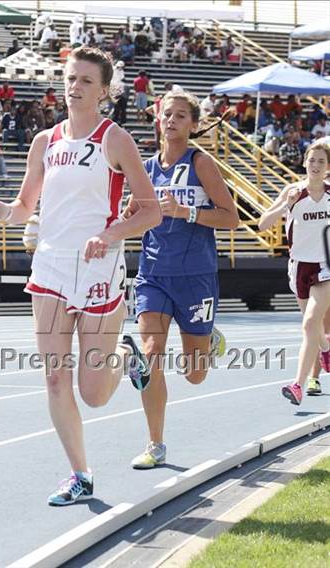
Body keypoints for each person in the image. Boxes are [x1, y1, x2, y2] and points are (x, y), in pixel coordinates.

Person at [0, 46, 161, 504]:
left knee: (94, 393)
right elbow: (25, 209)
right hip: (51, 267)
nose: (74, 87)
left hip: (99, 267)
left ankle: (125, 353)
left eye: (84, 80)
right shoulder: (46, 141)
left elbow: (152, 211)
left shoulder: (114, 139)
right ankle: (81, 474)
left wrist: (111, 232)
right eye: (70, 78)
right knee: (56, 379)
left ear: (104, 91)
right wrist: (3, 213)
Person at [123, 91, 239, 468]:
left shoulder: (201, 163)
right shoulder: (144, 167)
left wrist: (188, 211)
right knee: (150, 353)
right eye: (165, 114)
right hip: (153, 273)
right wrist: (121, 221)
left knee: (195, 375)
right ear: (157, 120)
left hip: (195, 277)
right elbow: (134, 215)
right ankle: (155, 444)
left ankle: (208, 341)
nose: (170, 120)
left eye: (179, 115)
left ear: (193, 124)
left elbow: (231, 218)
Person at [258, 142, 330, 406]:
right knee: (313, 328)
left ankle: (297, 384)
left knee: (311, 322)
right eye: (312, 160)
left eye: (321, 161)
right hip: (299, 266)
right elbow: (262, 223)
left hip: (325, 267)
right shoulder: (293, 192)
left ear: (328, 168)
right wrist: (283, 207)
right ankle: (325, 347)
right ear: (304, 163)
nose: (315, 165)